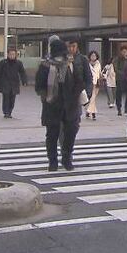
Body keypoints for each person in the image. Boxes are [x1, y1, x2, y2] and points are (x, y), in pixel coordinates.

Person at [35, 38, 86, 171]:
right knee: (52, 134)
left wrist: (75, 96)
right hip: (52, 104)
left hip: (70, 104)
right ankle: (52, 161)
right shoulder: (45, 65)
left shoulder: (70, 63)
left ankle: (66, 157)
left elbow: (79, 81)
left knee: (71, 132)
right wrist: (46, 96)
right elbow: (39, 85)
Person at [0, 48, 27, 119]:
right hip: (5, 83)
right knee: (6, 98)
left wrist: (24, 81)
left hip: (14, 84)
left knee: (12, 99)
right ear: (8, 54)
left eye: (13, 54)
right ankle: (6, 112)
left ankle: (10, 111)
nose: (12, 56)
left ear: (16, 55)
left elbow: (22, 72)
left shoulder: (18, 63)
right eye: (10, 54)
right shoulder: (3, 62)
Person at [113, 45, 127, 116]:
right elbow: (115, 68)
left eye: (125, 52)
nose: (124, 53)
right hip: (120, 79)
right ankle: (119, 109)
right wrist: (122, 74)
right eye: (123, 52)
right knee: (119, 94)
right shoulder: (117, 59)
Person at [85, 51, 102, 120]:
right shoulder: (87, 64)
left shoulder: (98, 64)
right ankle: (92, 113)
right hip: (89, 83)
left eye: (94, 56)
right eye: (92, 56)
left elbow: (99, 73)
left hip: (96, 83)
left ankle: (89, 112)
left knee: (93, 98)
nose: (93, 57)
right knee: (91, 99)